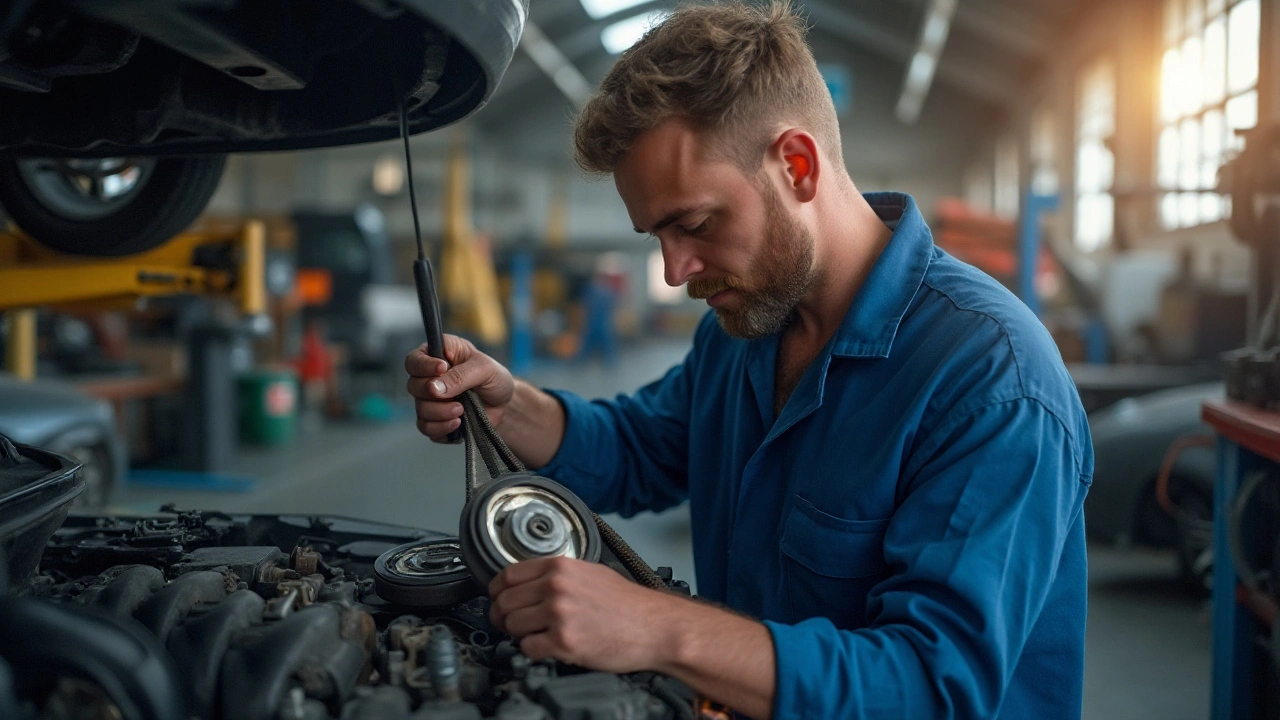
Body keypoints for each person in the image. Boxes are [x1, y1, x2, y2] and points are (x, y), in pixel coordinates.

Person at [406, 3, 1091, 718]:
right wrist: (507, 407)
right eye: (657, 237)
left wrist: (658, 626)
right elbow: (644, 447)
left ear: (795, 165)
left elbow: (929, 684)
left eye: (695, 224)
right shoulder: (746, 327)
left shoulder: (991, 380)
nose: (675, 270)